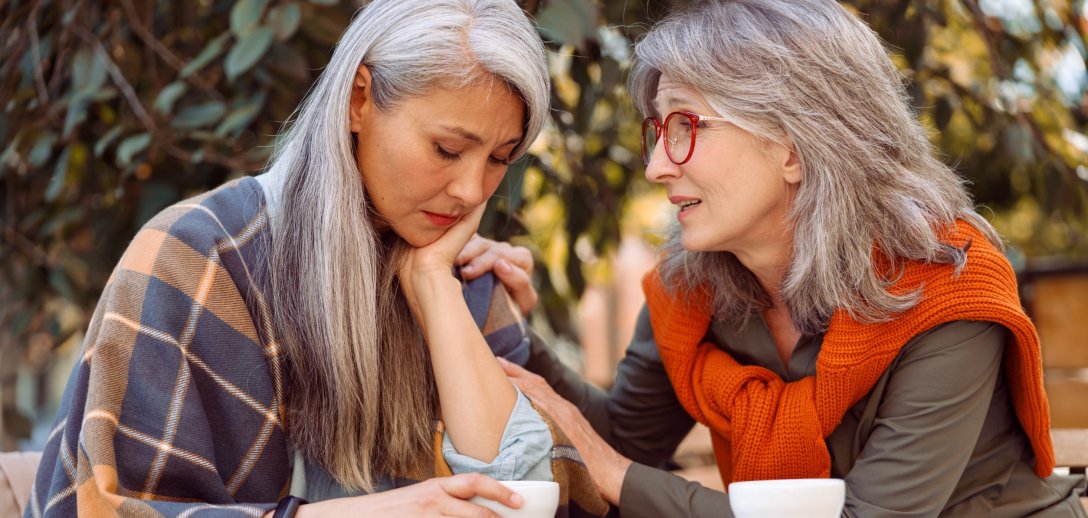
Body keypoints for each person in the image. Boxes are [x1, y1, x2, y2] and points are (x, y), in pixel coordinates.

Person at [460, 0, 1088, 516]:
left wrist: (619, 473)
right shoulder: (691, 288)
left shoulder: (947, 285)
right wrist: (509, 326)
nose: (655, 167)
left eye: (684, 127)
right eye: (657, 132)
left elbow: (620, 467)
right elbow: (625, 440)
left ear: (792, 147)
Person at [26, 1, 610, 517]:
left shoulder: (465, 277)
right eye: (448, 149)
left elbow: (531, 497)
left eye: (499, 159)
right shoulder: (200, 256)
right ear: (360, 100)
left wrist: (435, 287)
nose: (471, 190)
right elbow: (113, 507)